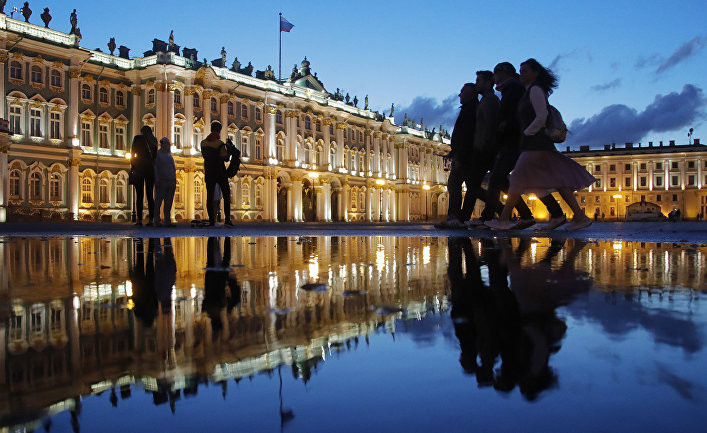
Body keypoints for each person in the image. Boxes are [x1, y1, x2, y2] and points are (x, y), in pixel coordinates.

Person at [485, 59, 595, 231]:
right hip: (536, 144)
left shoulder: (535, 90)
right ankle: (579, 216)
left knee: (518, 178)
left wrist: (527, 132)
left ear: (535, 73)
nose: (521, 74)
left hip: (535, 143)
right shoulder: (528, 90)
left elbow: (541, 116)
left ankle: (504, 219)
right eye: (520, 71)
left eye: (525, 71)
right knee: (556, 180)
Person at [471, 62, 566, 230]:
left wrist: (505, 132)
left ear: (504, 74)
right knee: (523, 180)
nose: (494, 78)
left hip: (513, 142)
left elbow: (516, 117)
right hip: (517, 142)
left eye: (496, 74)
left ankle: (492, 218)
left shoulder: (514, 90)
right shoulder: (515, 89)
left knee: (497, 179)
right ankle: (549, 214)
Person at [435, 83, 478, 229]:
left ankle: (454, 217)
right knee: (473, 187)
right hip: (466, 154)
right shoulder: (468, 108)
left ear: (471, 94)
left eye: (462, 92)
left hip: (466, 155)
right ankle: (497, 209)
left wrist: (459, 156)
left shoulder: (471, 110)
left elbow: (467, 136)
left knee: (454, 185)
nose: (459, 95)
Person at [201, 121, 233, 226]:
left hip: (209, 172)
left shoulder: (203, 143)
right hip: (220, 172)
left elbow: (205, 156)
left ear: (211, 130)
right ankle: (227, 219)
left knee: (209, 196)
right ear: (219, 130)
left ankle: (211, 220)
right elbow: (226, 159)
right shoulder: (219, 144)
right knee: (226, 195)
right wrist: (228, 148)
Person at [130, 125, 157, 225]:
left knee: (139, 195)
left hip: (139, 168)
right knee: (150, 195)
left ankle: (139, 220)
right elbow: (155, 156)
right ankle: (151, 220)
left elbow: (133, 153)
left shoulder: (137, 138)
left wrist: (133, 165)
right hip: (150, 169)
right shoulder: (154, 140)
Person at [153, 137, 177, 227]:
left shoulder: (169, 155)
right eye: (163, 143)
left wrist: (174, 180)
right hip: (162, 181)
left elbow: (173, 169)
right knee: (158, 202)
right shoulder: (158, 154)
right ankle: (157, 220)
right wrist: (157, 179)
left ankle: (167, 220)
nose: (165, 145)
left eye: (166, 144)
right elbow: (155, 167)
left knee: (168, 203)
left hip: (171, 181)